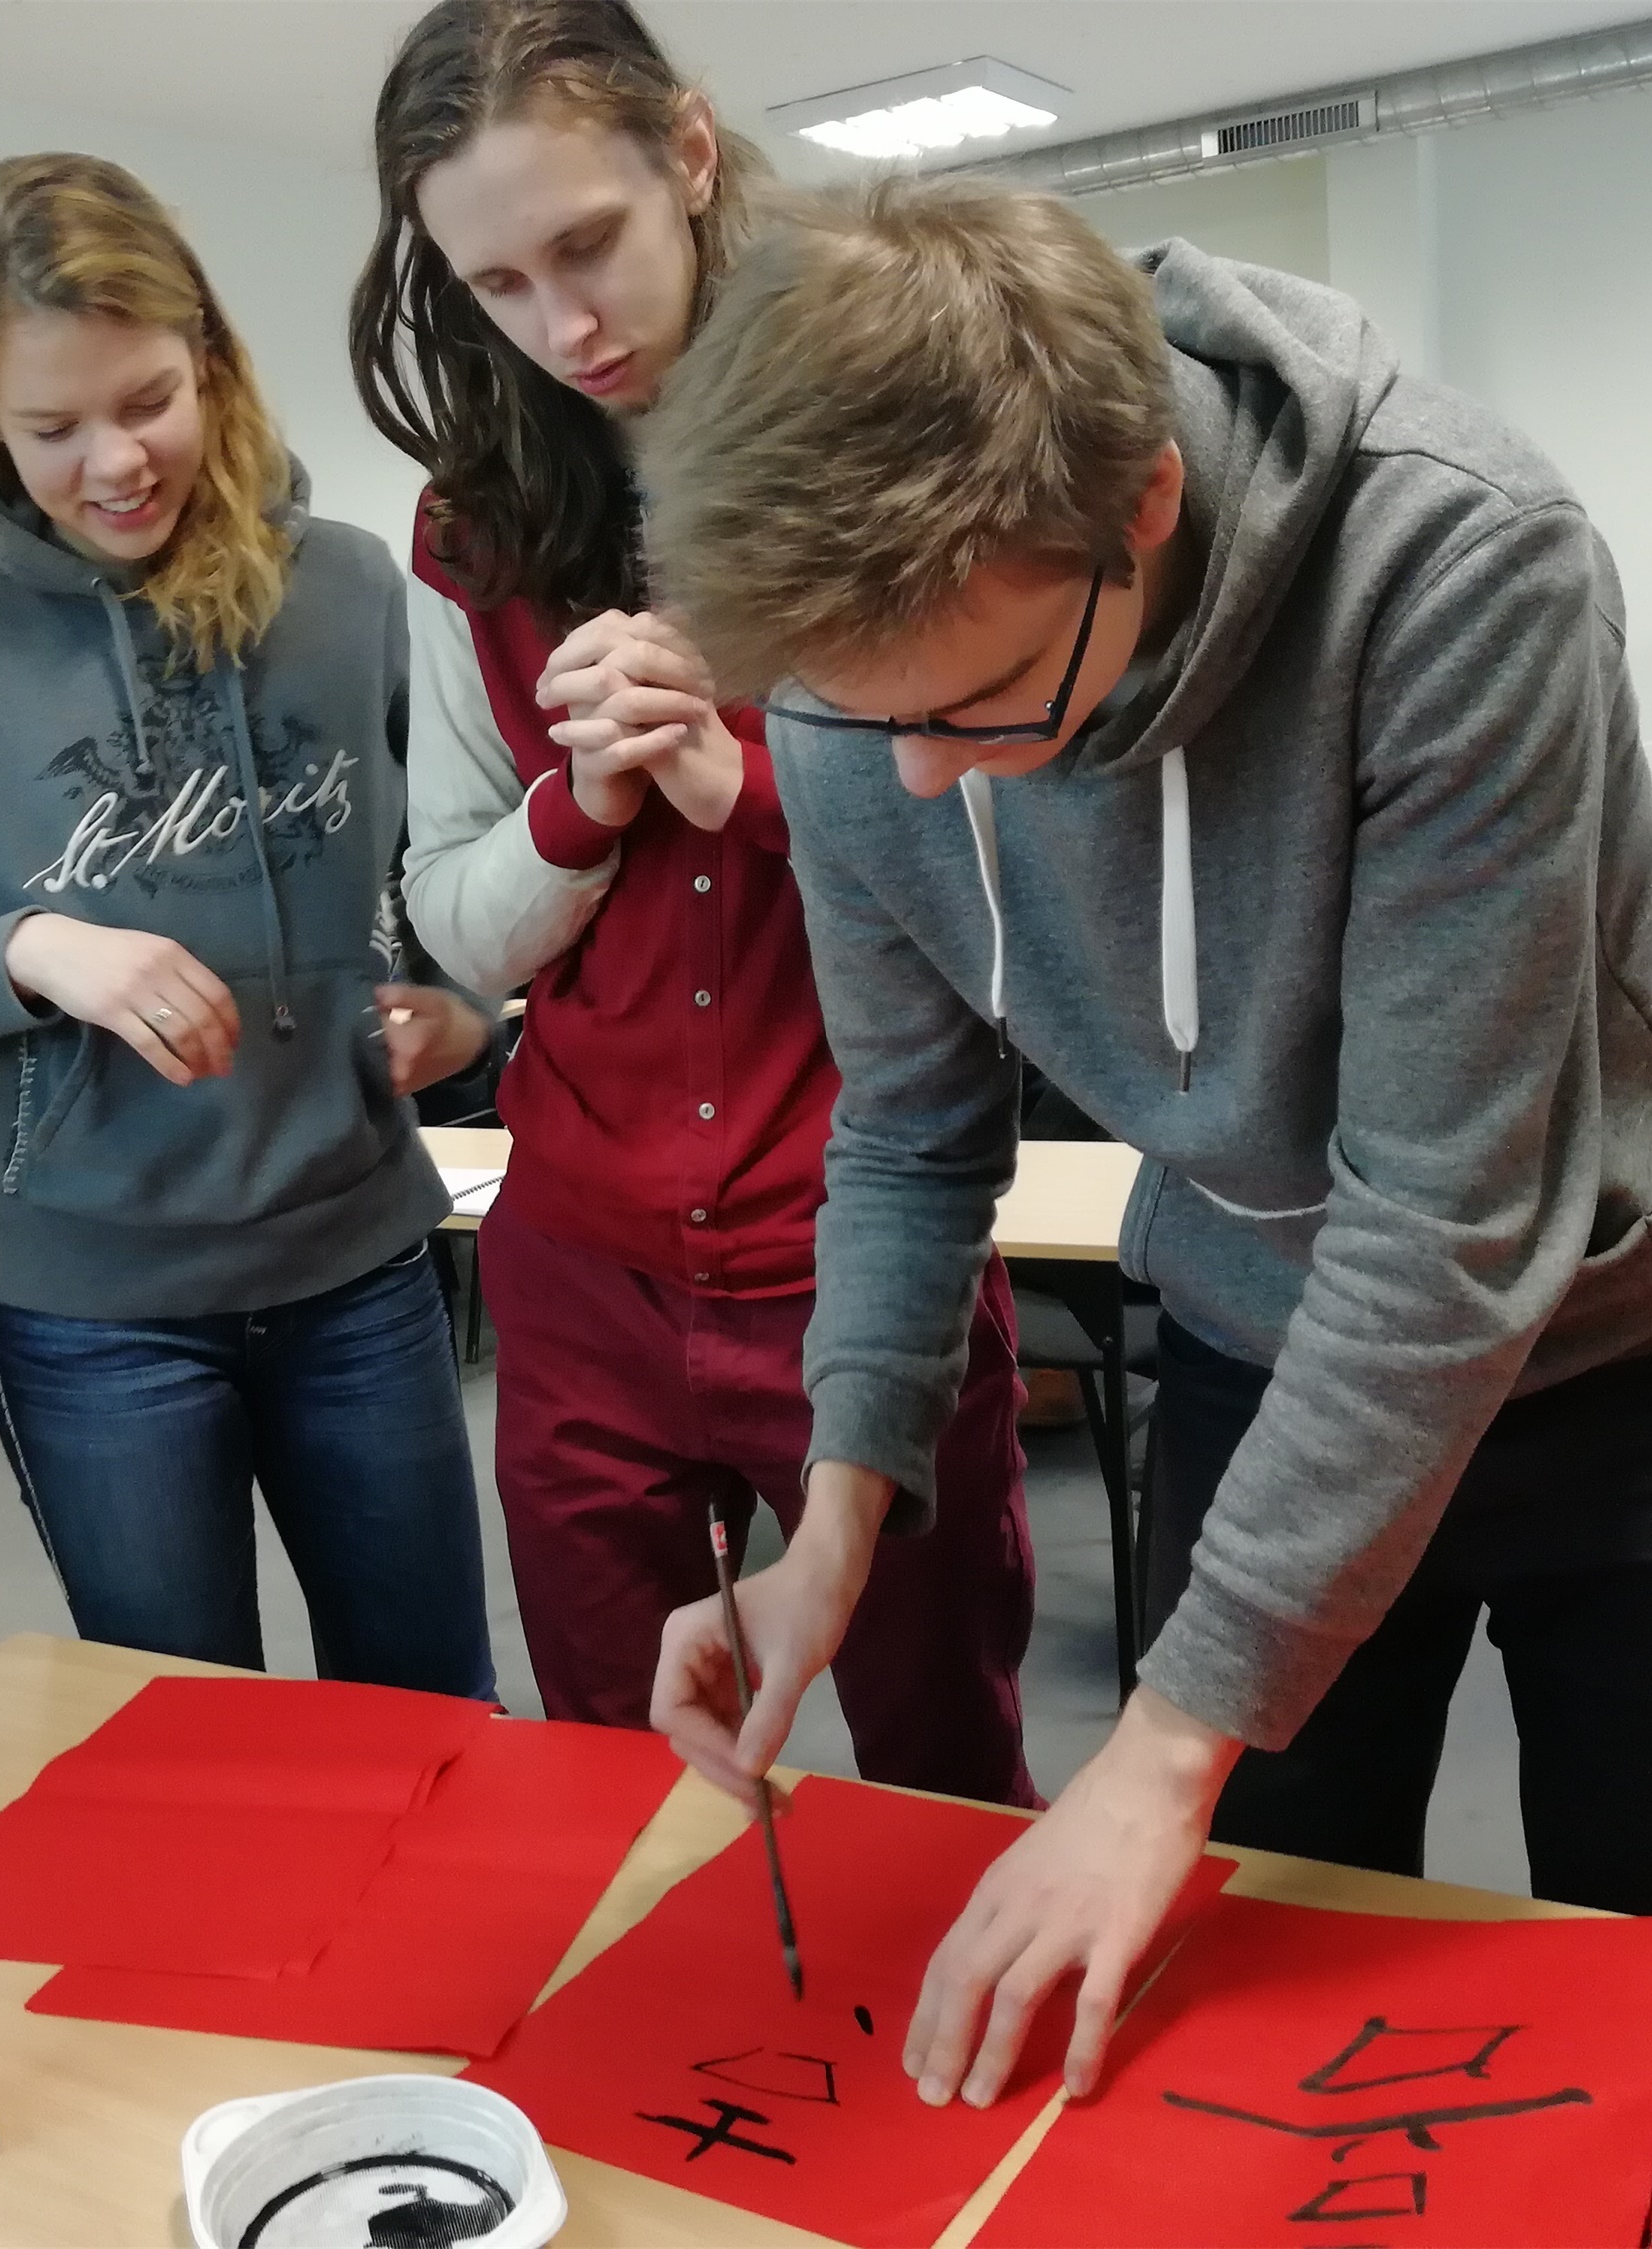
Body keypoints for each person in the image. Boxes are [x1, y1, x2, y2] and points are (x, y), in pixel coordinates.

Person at [635, 176, 1652, 2108]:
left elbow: (1442, 1222)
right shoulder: (874, 686)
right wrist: (830, 1523)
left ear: (1142, 508)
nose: (914, 775)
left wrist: (1162, 1743)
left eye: (974, 709)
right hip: (1261, 1351)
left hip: (1644, 1364)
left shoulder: (1460, 561)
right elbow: (913, 1133)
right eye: (861, 723)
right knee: (1256, 2012)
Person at [346, 0, 1038, 1805]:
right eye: (497, 284)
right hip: (585, 1262)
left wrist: (757, 782)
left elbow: (1041, 881)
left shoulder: (905, 428)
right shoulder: (474, 522)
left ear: (695, 154)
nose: (561, 324)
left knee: (942, 1759)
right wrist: (582, 807)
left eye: (589, 244)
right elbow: (461, 927)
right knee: (617, 1776)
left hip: (864, 1244)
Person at [0, 154, 496, 1699]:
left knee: (437, 1711)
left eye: (148, 401)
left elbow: (454, 850)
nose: (116, 461)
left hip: (358, 1267)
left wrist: (466, 1007)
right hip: (97, 1314)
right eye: (53, 428)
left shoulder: (349, 589)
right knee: (188, 1751)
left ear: (213, 366)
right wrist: (27, 952)